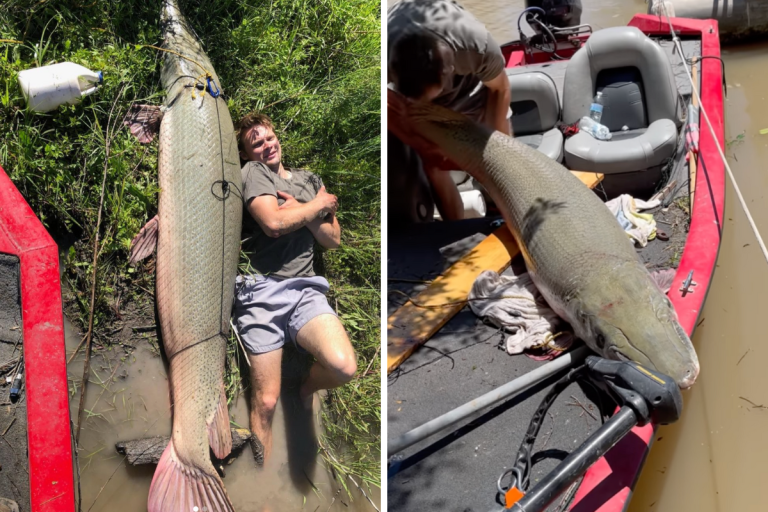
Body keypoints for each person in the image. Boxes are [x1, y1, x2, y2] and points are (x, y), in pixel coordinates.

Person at [235, 113, 358, 465]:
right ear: (247, 154)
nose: (265, 146)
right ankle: (260, 484)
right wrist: (317, 207)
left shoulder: (308, 180)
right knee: (266, 402)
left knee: (343, 367)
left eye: (268, 138)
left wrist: (302, 209)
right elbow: (273, 223)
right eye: (255, 143)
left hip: (306, 290)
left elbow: (332, 240)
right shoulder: (253, 173)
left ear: (278, 138)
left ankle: (306, 386)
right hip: (260, 291)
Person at [387, 0, 512, 222]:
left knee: (499, 162)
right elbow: (387, 103)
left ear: (450, 71)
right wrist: (424, 146)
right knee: (433, 165)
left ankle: (503, 217)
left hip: (476, 91)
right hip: (414, 101)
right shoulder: (382, 54)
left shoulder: (475, 44)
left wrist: (494, 147)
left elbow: (499, 89)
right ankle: (454, 230)